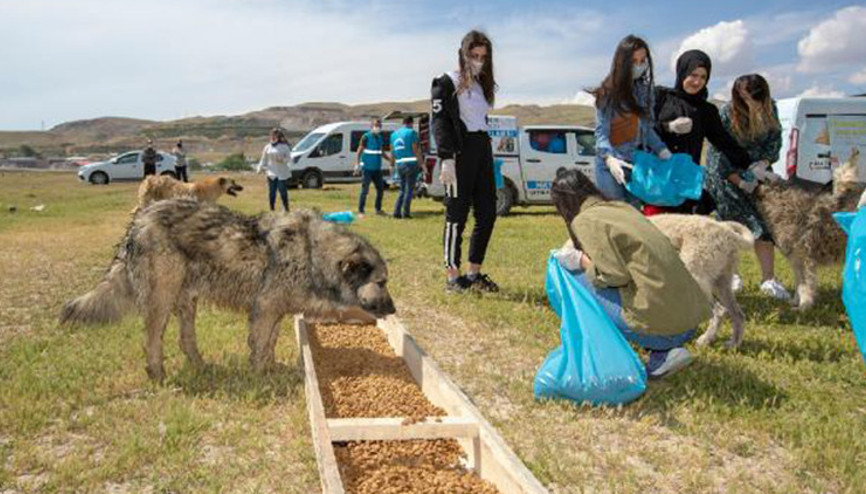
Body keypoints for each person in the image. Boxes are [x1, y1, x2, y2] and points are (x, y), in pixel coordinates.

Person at [550, 167, 711, 379]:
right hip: (690, 322)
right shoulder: (622, 207)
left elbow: (614, 275)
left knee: (573, 276)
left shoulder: (585, 220)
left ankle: (654, 350)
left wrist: (580, 261)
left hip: (666, 330)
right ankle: (662, 351)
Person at [705, 74, 789, 299]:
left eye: (754, 97)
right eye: (744, 98)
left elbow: (775, 140)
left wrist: (764, 164)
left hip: (756, 173)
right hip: (726, 177)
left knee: (764, 226)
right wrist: (739, 181)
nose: (750, 102)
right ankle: (731, 276)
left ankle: (769, 280)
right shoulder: (727, 113)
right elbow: (719, 152)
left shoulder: (770, 109)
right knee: (731, 226)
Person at [431, 29, 500, 293]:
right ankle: (452, 277)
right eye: (474, 55)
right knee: (456, 214)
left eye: (483, 57)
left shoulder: (482, 85)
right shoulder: (446, 81)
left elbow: (479, 118)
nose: (478, 61)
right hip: (460, 152)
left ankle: (473, 274)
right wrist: (446, 157)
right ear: (463, 54)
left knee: (487, 212)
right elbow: (439, 122)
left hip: (482, 147)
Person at [648, 50, 753, 215]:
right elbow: (640, 130)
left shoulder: (706, 111)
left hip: (685, 184)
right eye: (693, 75)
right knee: (654, 227)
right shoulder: (660, 97)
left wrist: (751, 165)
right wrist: (668, 127)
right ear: (682, 72)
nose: (697, 82)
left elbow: (724, 142)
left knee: (685, 228)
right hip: (656, 180)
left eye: (703, 77)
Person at [592, 35, 672, 205]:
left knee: (635, 213)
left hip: (637, 164)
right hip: (611, 165)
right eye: (634, 61)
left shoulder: (646, 92)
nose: (639, 65)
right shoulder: (608, 93)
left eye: (642, 61)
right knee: (617, 213)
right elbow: (601, 132)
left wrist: (662, 150)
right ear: (622, 62)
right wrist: (609, 159)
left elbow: (646, 129)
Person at [355, 118, 389, 217]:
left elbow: (381, 152)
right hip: (367, 169)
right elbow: (359, 150)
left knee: (380, 189)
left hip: (377, 169)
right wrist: (357, 164)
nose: (378, 127)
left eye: (379, 126)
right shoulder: (366, 137)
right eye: (376, 125)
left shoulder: (380, 138)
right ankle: (361, 211)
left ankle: (378, 209)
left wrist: (390, 159)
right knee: (365, 191)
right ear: (371, 126)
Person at [390, 116, 421, 219]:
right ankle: (406, 213)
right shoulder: (412, 133)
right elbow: (416, 150)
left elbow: (392, 152)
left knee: (402, 189)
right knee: (409, 190)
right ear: (411, 123)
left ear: (403, 122)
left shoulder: (394, 135)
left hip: (399, 164)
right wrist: (422, 164)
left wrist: (391, 165)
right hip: (411, 164)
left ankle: (396, 212)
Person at [256, 128, 291, 212]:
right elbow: (263, 159)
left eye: (275, 135)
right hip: (271, 173)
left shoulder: (284, 147)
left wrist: (282, 160)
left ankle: (286, 208)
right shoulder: (267, 147)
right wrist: (259, 168)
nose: (273, 137)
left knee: (283, 192)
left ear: (278, 136)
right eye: (272, 135)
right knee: (272, 192)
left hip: (281, 173)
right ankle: (272, 209)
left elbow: (289, 158)